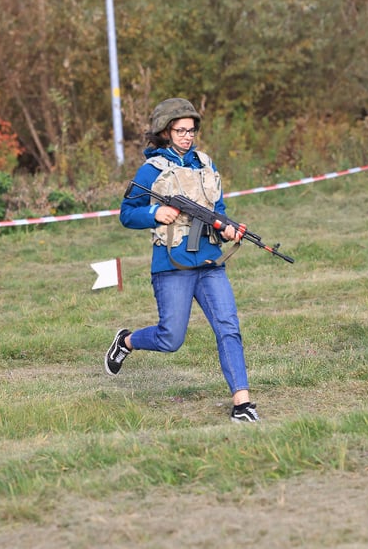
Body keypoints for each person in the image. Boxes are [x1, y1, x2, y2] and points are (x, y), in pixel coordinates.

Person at [104, 97, 259, 423]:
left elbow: (219, 209)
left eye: (191, 130)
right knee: (170, 338)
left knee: (228, 327)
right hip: (171, 266)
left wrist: (228, 228)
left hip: (209, 263)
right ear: (165, 131)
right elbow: (126, 215)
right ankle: (127, 340)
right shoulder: (150, 171)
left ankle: (242, 404)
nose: (187, 136)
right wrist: (154, 212)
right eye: (180, 130)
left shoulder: (205, 164)